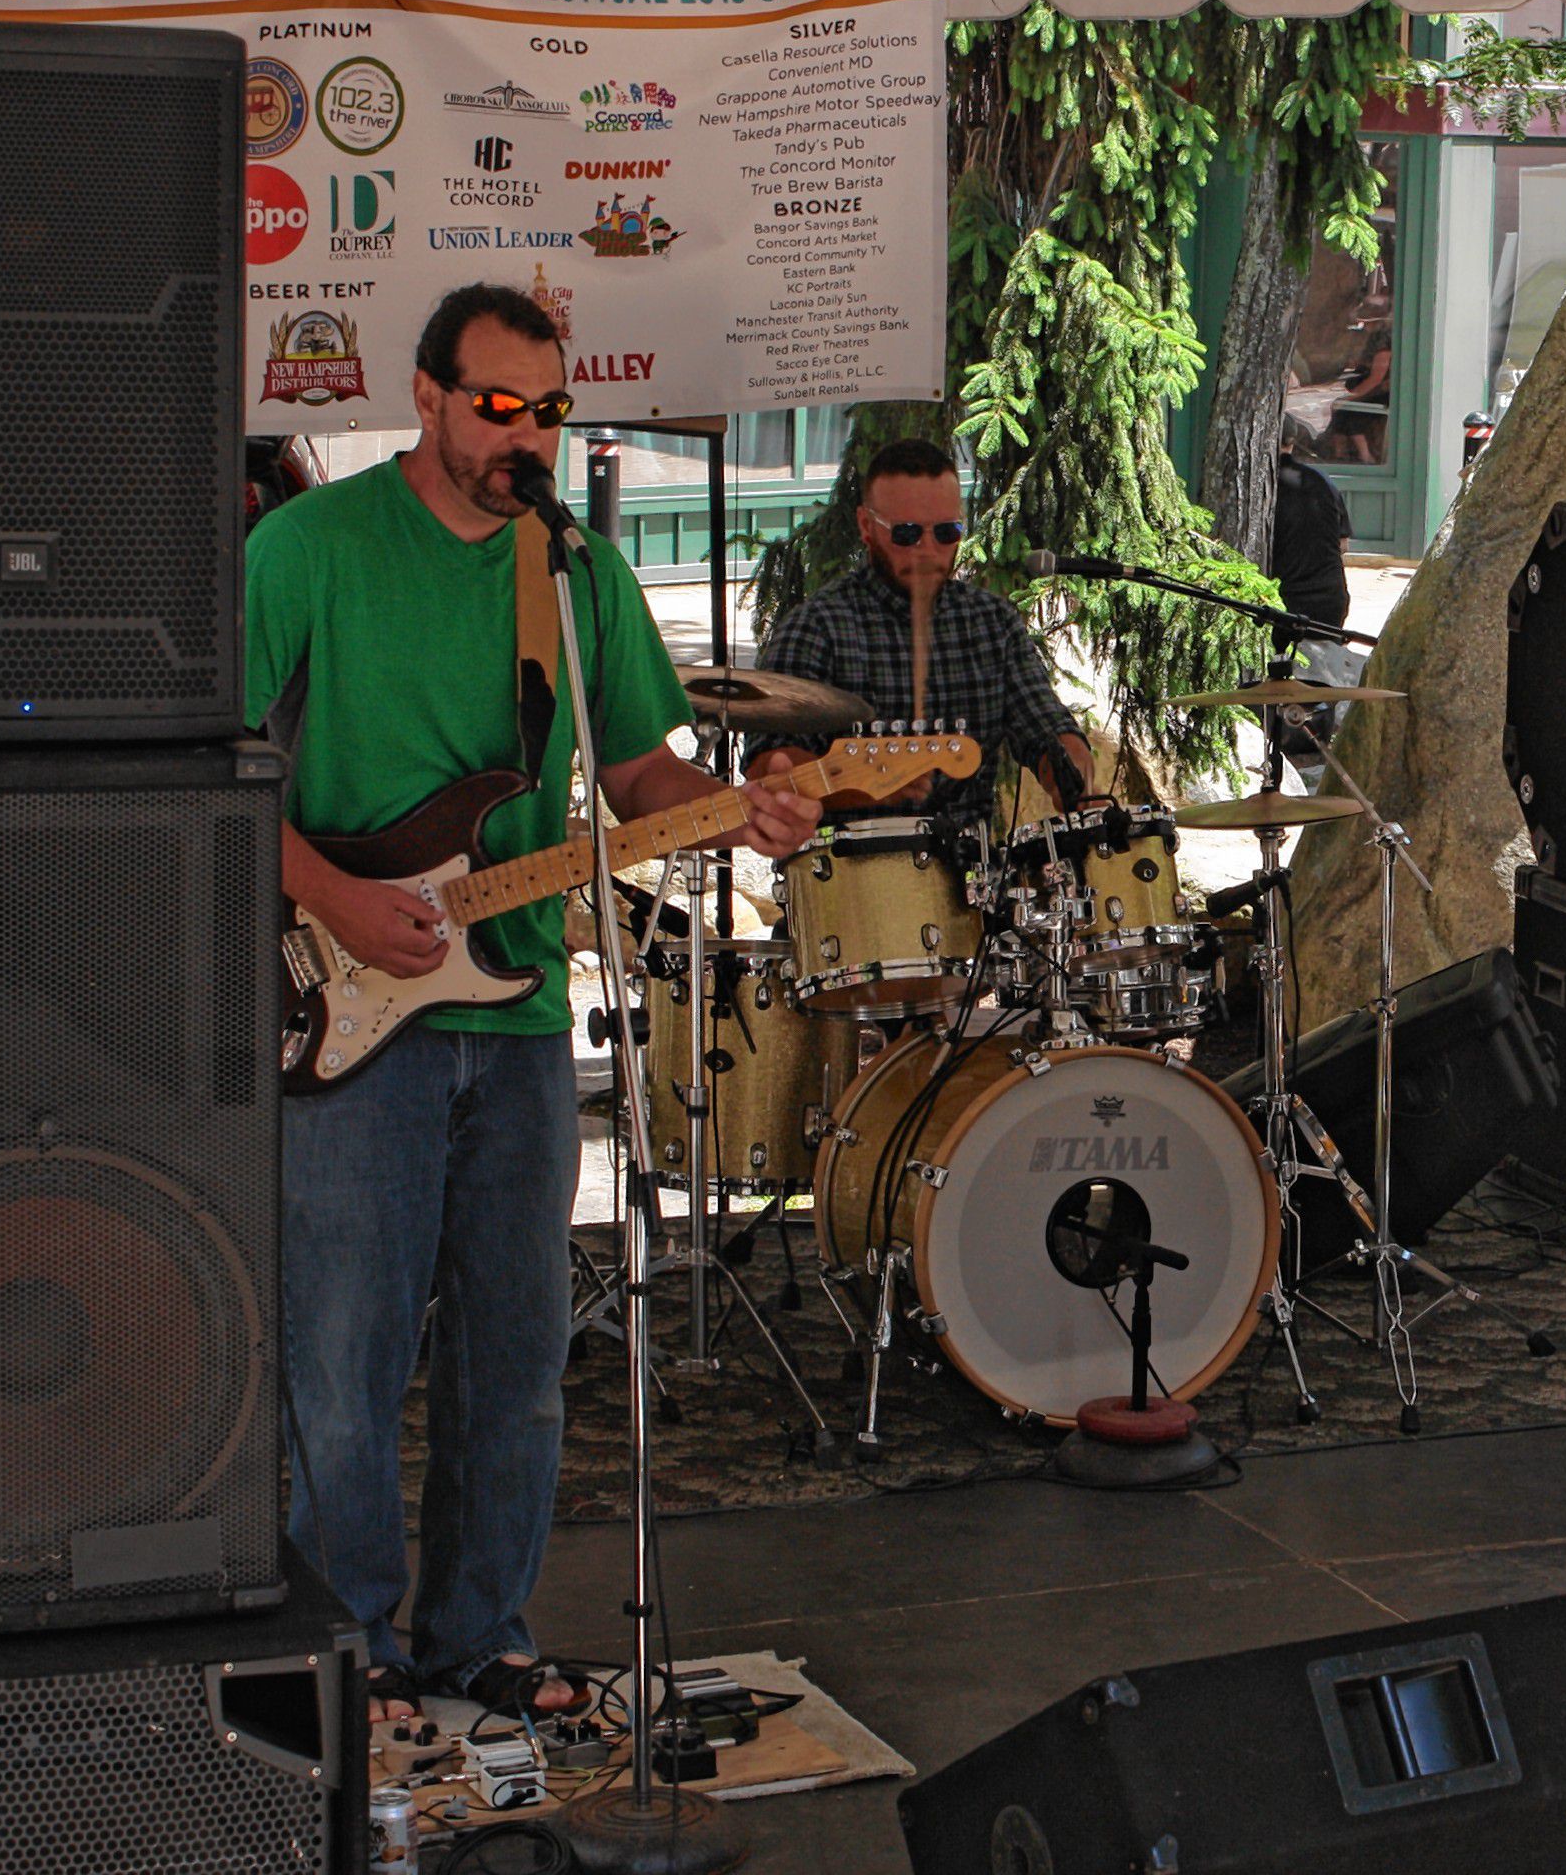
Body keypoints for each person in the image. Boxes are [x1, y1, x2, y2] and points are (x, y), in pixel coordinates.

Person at [247, 284, 821, 1724]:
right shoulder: (304, 550)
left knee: (516, 1355)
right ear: (427, 396)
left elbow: (639, 777)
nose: (524, 436)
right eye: (497, 406)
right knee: (346, 1361)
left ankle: (481, 1635)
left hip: (509, 1021)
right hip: (342, 1010)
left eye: (547, 411)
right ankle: (354, 1652)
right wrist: (332, 897)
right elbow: (207, 771)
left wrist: (731, 811)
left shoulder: (573, 576)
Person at [748, 438, 1100, 817]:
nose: (928, 549)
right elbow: (770, 764)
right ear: (867, 526)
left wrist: (1070, 771)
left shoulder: (992, 623)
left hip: (974, 869)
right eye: (907, 533)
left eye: (947, 532)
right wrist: (862, 789)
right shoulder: (816, 628)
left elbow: (1046, 725)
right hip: (845, 865)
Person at [1270, 416, 1355, 646]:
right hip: (1331, 600)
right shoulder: (1322, 481)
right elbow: (1343, 545)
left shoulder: (1262, 485)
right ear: (1292, 442)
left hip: (1284, 603)